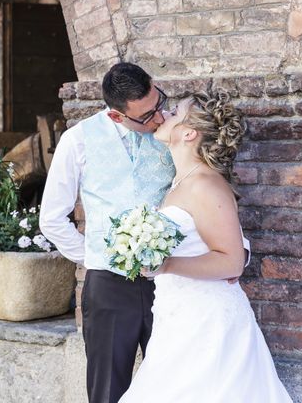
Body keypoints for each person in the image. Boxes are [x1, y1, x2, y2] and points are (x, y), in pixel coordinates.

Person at [39, 63, 250, 403]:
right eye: (146, 116)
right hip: (109, 285)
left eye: (158, 103)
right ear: (116, 117)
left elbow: (211, 197)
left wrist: (237, 252)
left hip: (172, 288)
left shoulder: (175, 133)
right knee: (108, 389)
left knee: (174, 384)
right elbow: (51, 219)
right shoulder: (77, 141)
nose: (157, 117)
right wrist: (99, 259)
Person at [118, 90, 292, 403]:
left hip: (208, 323)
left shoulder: (206, 184)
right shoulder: (182, 182)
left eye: (175, 113)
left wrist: (167, 265)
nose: (165, 115)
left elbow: (232, 262)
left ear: (189, 133)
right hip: (178, 314)